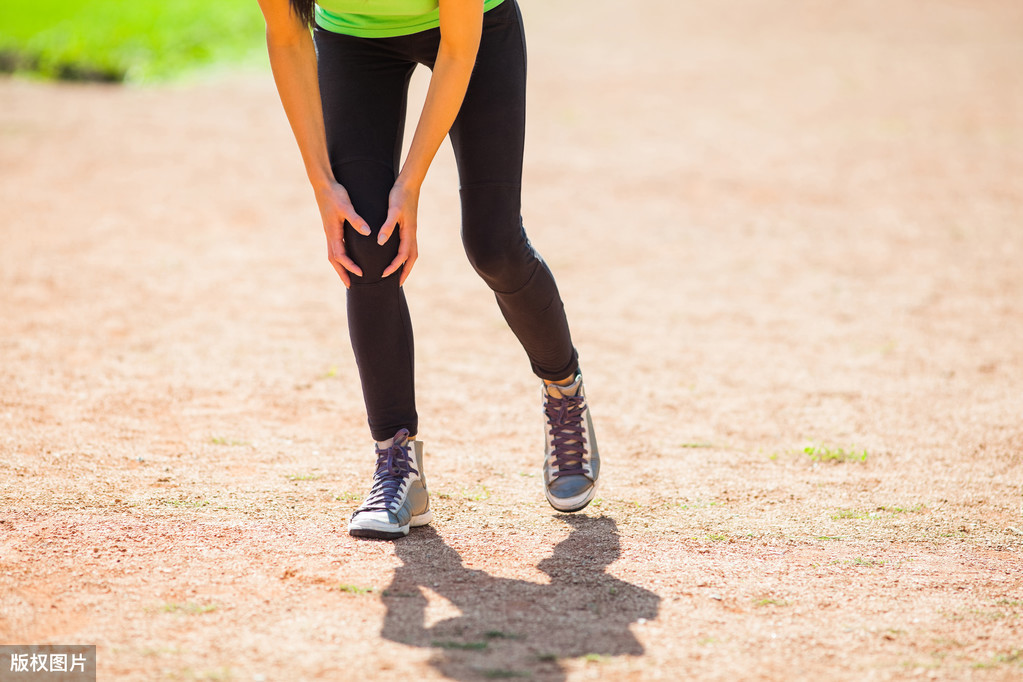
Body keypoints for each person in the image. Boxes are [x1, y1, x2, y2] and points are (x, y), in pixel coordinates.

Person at [256, 0, 599, 539]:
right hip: (355, 41)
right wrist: (323, 184)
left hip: (471, 32)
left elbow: (458, 49)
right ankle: (397, 463)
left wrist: (409, 184)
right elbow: (287, 36)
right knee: (366, 244)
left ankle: (563, 390)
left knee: (493, 246)